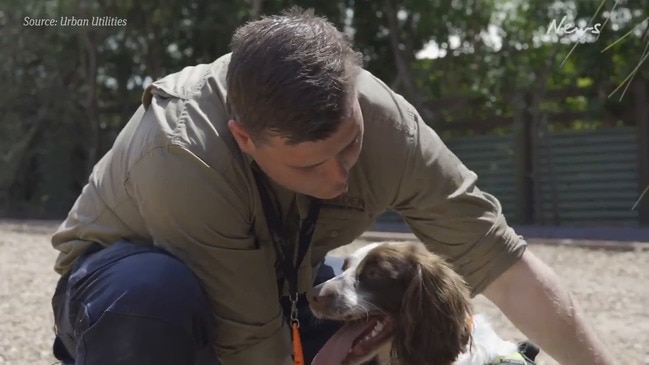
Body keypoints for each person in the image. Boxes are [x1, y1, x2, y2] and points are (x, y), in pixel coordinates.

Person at [50, 7, 614, 365]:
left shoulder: (387, 122)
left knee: (382, 312)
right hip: (128, 295)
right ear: (244, 138)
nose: (339, 177)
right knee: (155, 294)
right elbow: (250, 343)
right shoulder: (182, 154)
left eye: (349, 147)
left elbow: (506, 270)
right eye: (309, 166)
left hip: (276, 286)